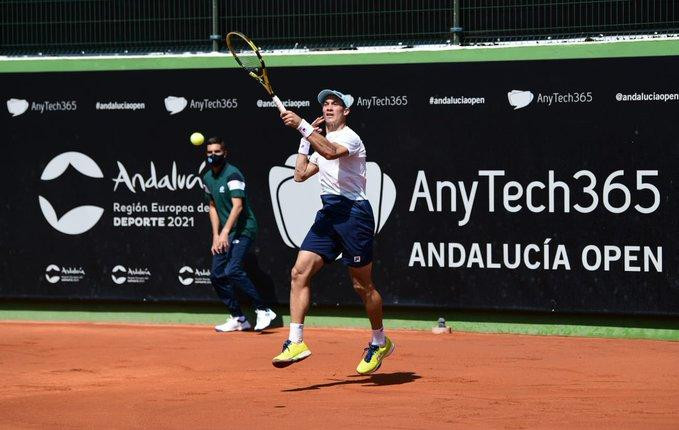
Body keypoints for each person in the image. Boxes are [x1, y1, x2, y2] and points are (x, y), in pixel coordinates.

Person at [272, 90, 394, 375]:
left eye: (335, 104)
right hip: (328, 214)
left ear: (346, 111)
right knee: (298, 272)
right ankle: (296, 340)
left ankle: (380, 341)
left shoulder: (350, 138)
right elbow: (299, 175)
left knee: (362, 286)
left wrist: (302, 125)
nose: (328, 107)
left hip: (354, 215)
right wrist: (304, 140)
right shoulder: (318, 142)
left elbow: (329, 151)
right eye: (325, 103)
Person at [201, 136, 276, 332]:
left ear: (224, 153)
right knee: (217, 275)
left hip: (243, 229)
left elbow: (238, 206)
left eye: (217, 152)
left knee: (232, 270)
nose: (213, 156)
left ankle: (263, 309)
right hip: (225, 232)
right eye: (209, 153)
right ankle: (239, 318)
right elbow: (212, 206)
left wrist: (225, 232)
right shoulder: (207, 178)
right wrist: (216, 235)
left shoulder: (233, 174)